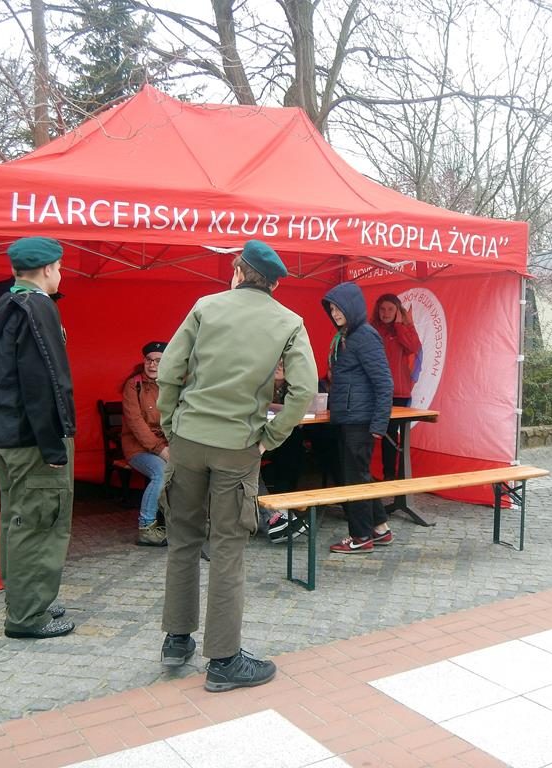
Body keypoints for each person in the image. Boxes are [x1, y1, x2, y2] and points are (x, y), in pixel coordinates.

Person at [156, 239, 318, 692]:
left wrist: (171, 424)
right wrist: (271, 437)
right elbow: (304, 390)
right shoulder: (290, 321)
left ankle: (176, 640)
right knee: (227, 549)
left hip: (189, 440)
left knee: (183, 541)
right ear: (274, 283)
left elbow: (168, 371)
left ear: (238, 271)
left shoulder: (205, 306)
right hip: (239, 446)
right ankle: (224, 660)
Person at [0, 236, 76, 640]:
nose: (60, 274)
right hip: (35, 441)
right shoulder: (38, 307)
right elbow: (43, 382)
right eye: (59, 268)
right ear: (48, 268)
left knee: (17, 522)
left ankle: (26, 599)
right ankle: (28, 616)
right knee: (39, 524)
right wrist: (53, 445)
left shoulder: (7, 303)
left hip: (8, 437)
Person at [322, 282, 394, 554]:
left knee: (355, 479)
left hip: (360, 421)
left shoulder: (364, 335)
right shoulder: (348, 336)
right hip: (351, 418)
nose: (334, 313)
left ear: (351, 307)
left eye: (338, 308)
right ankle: (380, 528)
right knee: (359, 475)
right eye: (331, 309)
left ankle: (360, 536)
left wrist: (379, 425)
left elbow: (384, 382)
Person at [122, 341, 171, 547]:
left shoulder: (171, 385)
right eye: (149, 360)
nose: (152, 365)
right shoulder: (133, 385)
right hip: (138, 448)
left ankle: (178, 522)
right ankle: (146, 528)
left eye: (158, 361)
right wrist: (161, 450)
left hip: (166, 445)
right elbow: (136, 424)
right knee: (161, 472)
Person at [371, 293, 422, 481]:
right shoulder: (372, 329)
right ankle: (374, 475)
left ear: (398, 311)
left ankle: (391, 477)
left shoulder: (404, 329)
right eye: (382, 309)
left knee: (392, 436)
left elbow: (413, 347)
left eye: (390, 309)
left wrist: (400, 325)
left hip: (398, 393)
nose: (385, 313)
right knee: (374, 434)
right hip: (375, 392)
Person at [262, 358, 308, 543]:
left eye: (282, 365)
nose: (278, 368)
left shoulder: (294, 389)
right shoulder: (261, 386)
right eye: (276, 364)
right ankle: (276, 514)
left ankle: (283, 507)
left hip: (279, 438)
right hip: (260, 438)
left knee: (292, 445)